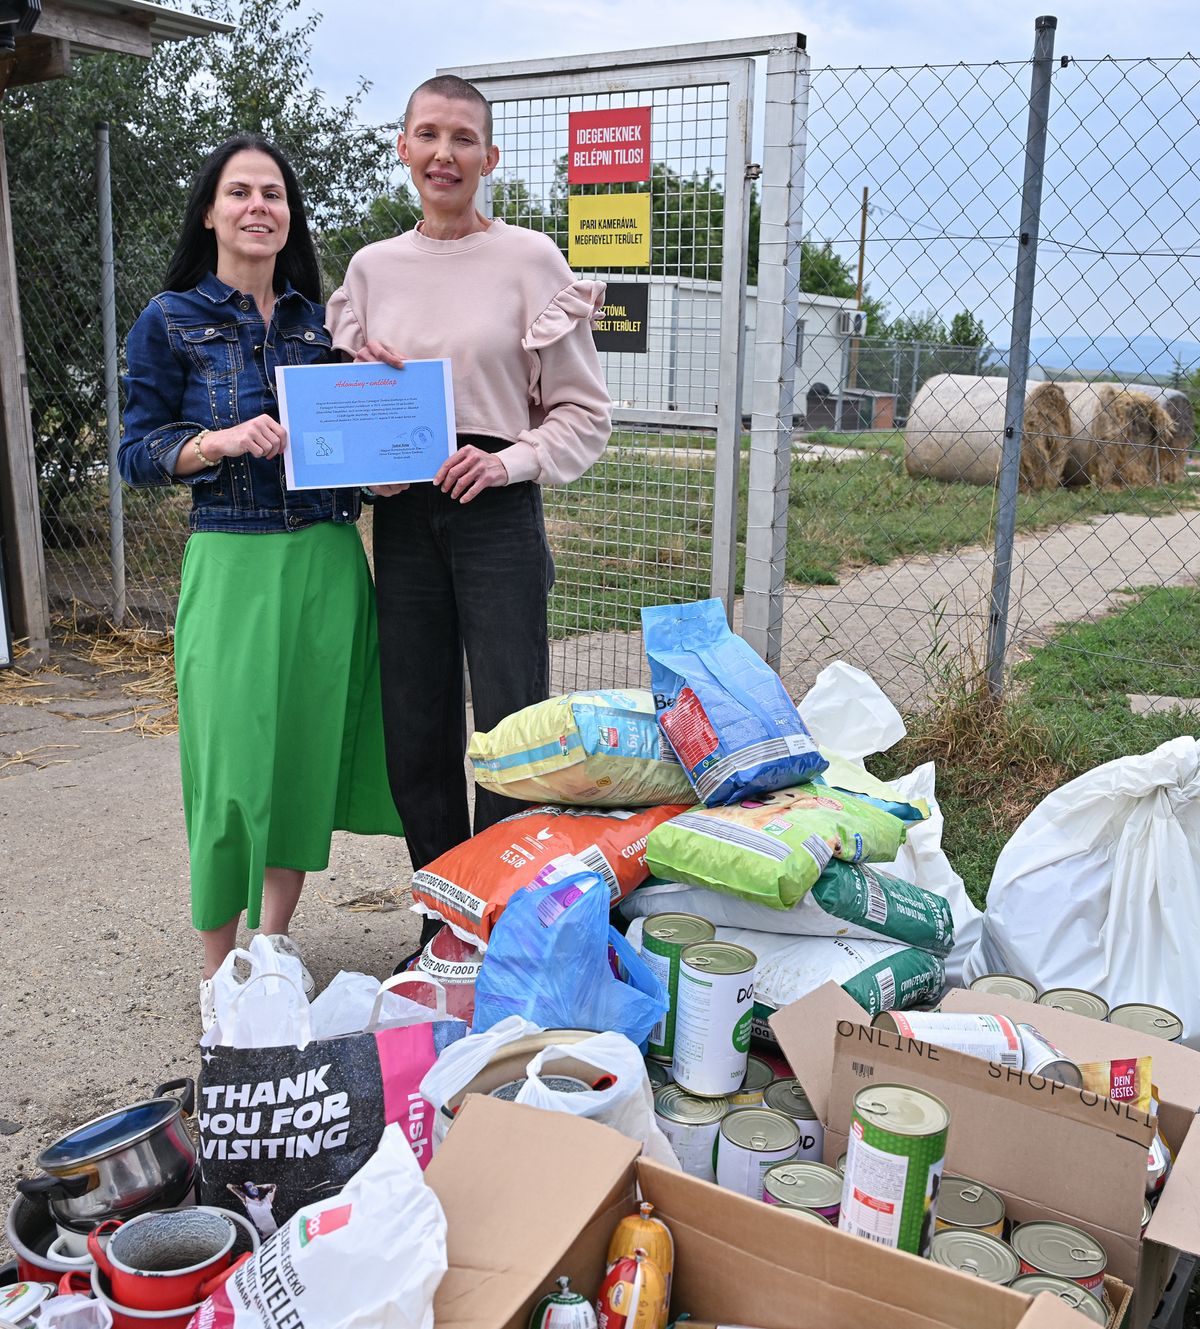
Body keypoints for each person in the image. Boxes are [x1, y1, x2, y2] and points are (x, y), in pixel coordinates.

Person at [119, 134, 404, 1029]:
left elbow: (354, 460)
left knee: (299, 761)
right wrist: (216, 442)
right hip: (233, 560)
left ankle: (273, 946)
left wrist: (389, 443)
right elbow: (135, 450)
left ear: (289, 215)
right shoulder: (170, 318)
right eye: (239, 192)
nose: (257, 207)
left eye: (272, 193)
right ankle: (219, 972)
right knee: (230, 770)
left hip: (326, 558)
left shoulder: (326, 328)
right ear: (210, 210)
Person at [327, 75, 612, 941]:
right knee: (415, 727)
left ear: (489, 157)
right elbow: (350, 405)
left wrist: (511, 464)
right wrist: (374, 468)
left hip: (495, 505)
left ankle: (506, 915)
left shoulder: (531, 261)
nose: (444, 154)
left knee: (510, 725)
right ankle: (443, 915)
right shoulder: (372, 269)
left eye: (462, 139)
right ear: (404, 149)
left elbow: (583, 413)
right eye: (427, 136)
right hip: (405, 515)